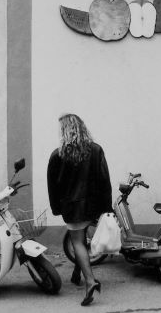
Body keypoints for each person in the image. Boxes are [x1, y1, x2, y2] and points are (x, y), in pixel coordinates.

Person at [47, 113, 112, 306]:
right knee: (82, 237)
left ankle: (90, 281)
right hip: (92, 205)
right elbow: (104, 180)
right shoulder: (96, 150)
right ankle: (78, 273)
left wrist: (56, 208)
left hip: (72, 206)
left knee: (77, 242)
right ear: (81, 127)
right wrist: (106, 208)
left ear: (65, 131)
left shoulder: (58, 154)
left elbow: (53, 185)